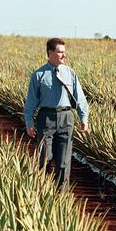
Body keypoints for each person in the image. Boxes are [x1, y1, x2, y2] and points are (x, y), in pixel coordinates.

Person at [24, 37, 89, 188]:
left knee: (64, 160)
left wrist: (84, 118)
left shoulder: (70, 73)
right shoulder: (38, 75)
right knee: (45, 157)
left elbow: (80, 97)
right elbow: (31, 102)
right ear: (50, 53)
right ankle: (43, 192)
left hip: (67, 118)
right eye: (60, 52)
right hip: (46, 118)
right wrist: (29, 123)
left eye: (64, 52)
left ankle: (62, 196)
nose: (63, 55)